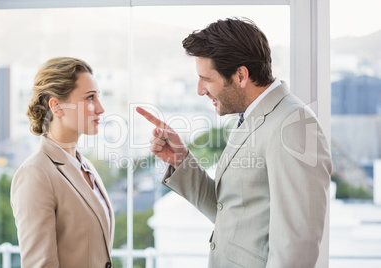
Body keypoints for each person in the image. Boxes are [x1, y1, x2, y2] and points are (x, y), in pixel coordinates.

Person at [137, 17, 332, 267]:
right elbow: (230, 210)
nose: (200, 89)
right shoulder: (252, 116)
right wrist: (180, 160)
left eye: (206, 79)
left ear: (241, 75)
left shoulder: (292, 126)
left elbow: (296, 251)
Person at [11, 57, 114, 268]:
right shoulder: (35, 173)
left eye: (98, 97)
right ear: (56, 106)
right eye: (90, 98)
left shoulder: (85, 166)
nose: (100, 108)